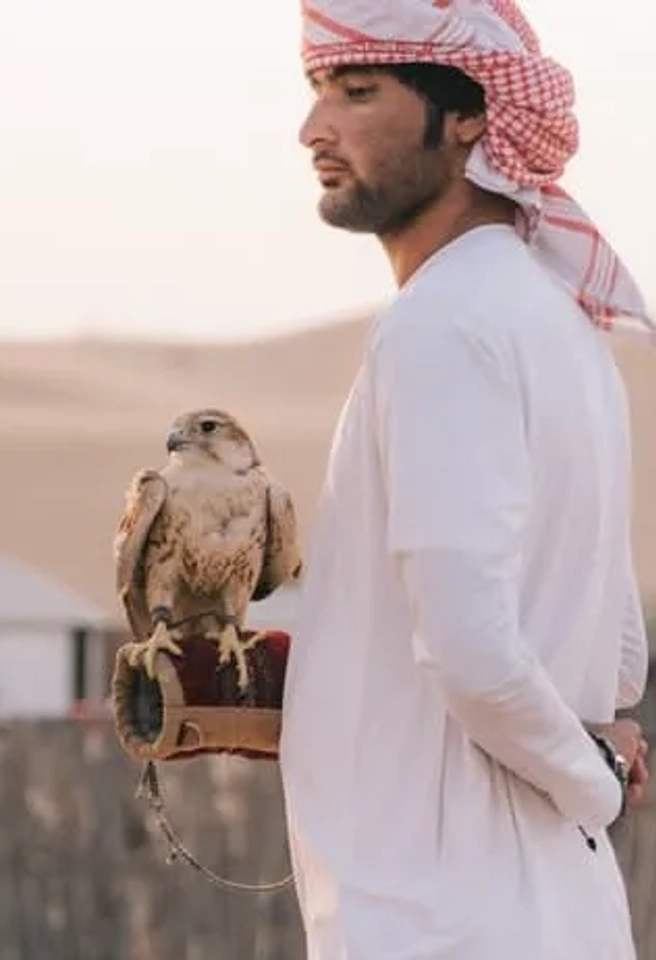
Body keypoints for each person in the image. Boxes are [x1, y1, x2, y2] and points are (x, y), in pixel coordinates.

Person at [277, 2, 653, 957]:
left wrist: (590, 780)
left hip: (438, 917)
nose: (316, 129)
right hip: (556, 908)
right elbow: (618, 651)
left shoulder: (441, 325)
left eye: (358, 93)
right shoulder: (563, 327)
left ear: (472, 116)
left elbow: (469, 646)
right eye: (318, 92)